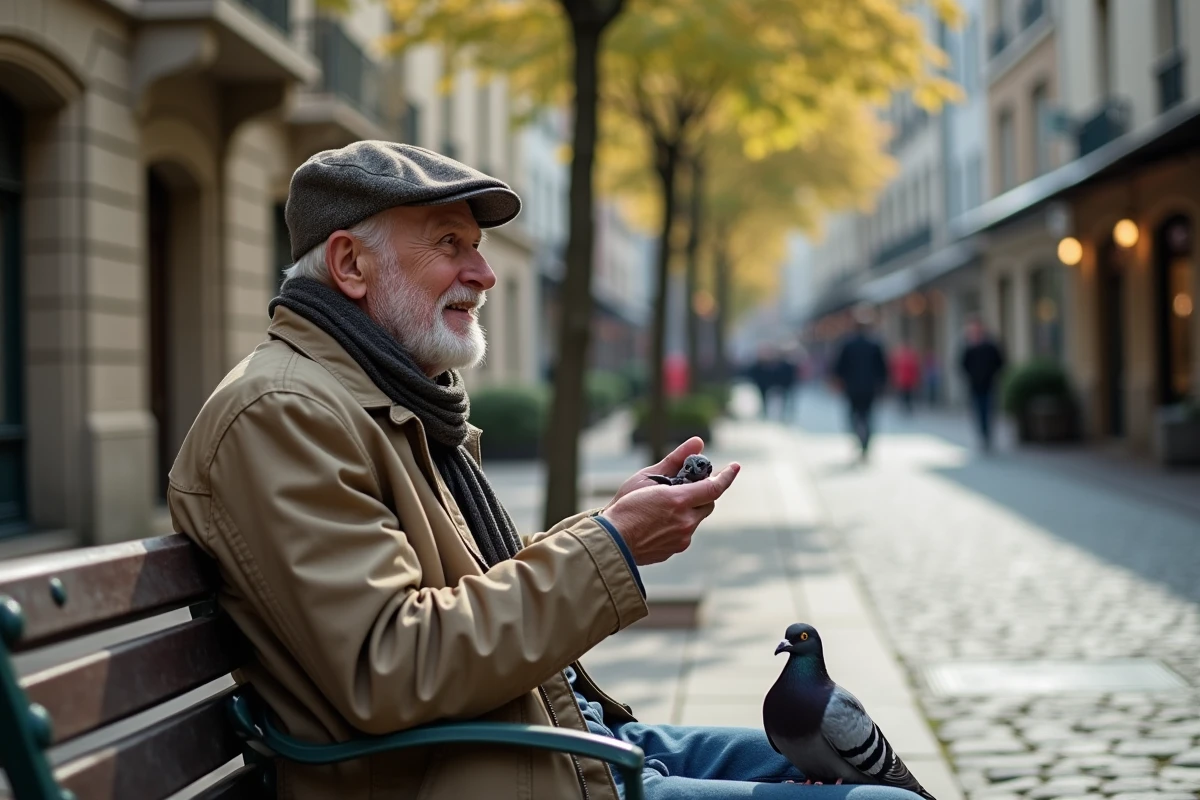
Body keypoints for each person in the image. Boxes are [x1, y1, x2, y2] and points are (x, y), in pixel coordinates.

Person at [169, 142, 918, 800]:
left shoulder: (385, 397)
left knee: (873, 774)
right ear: (350, 264)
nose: (486, 273)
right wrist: (613, 547)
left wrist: (607, 524)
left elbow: (461, 596)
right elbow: (392, 664)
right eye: (451, 243)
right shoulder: (284, 412)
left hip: (534, 738)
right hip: (482, 768)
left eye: (479, 245)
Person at [831, 311, 888, 461]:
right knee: (868, 415)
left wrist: (838, 381)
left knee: (853, 415)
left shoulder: (847, 344)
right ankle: (866, 442)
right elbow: (882, 368)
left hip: (852, 387)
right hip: (870, 387)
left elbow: (839, 367)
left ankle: (858, 437)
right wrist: (882, 384)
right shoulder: (875, 344)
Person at [959, 316, 1006, 451]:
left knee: (989, 410)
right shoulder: (968, 347)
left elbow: (1000, 362)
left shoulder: (991, 346)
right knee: (978, 411)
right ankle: (982, 434)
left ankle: (988, 434)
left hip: (989, 385)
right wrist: (970, 376)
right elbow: (962, 365)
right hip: (975, 386)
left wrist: (993, 375)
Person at [889, 341, 921, 416]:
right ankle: (907, 406)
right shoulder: (910, 357)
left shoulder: (900, 357)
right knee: (907, 394)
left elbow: (895, 368)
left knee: (904, 394)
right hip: (907, 379)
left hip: (903, 379)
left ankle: (905, 406)